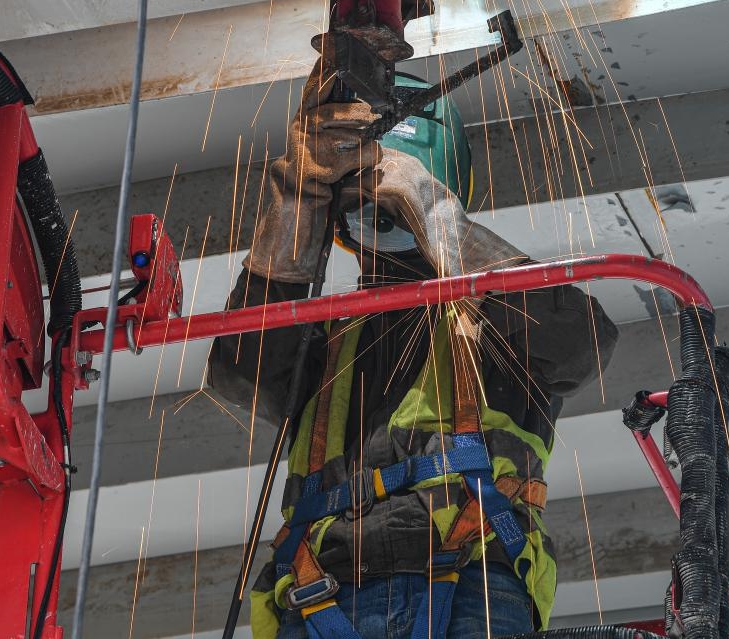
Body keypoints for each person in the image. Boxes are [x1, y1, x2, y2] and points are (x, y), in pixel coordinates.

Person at [208, 63, 618, 639]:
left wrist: (435, 217)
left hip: (471, 579)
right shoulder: (327, 339)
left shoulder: (493, 315)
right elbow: (241, 371)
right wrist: (295, 204)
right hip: (321, 590)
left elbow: (581, 341)